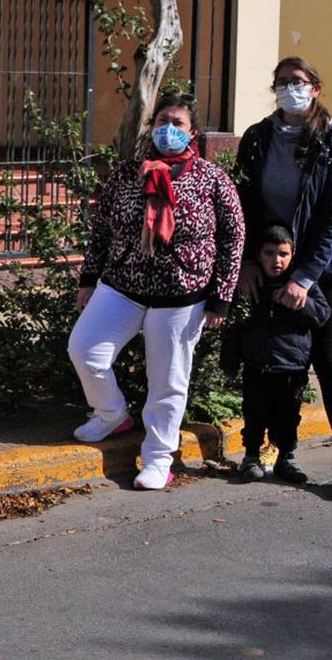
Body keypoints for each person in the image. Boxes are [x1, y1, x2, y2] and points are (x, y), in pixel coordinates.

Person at [68, 91, 245, 490]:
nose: (168, 130)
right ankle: (112, 413)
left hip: (181, 294)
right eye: (162, 121)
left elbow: (234, 238)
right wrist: (88, 279)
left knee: (167, 380)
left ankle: (158, 456)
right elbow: (102, 229)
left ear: (193, 132)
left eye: (177, 123)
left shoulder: (212, 179)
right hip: (123, 286)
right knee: (85, 348)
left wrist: (222, 296)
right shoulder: (127, 173)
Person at [235, 57, 332, 501]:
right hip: (268, 267)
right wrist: (250, 263)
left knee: (327, 362)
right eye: (283, 82)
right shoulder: (256, 139)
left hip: (319, 272)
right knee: (274, 363)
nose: (291, 88)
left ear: (316, 87)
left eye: (299, 81)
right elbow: (244, 206)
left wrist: (304, 277)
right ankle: (272, 446)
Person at [235, 225, 330, 484]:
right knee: (254, 413)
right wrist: (232, 358)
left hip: (291, 367)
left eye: (283, 254)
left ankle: (285, 457)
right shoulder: (253, 282)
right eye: (269, 253)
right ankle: (251, 457)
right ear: (259, 254)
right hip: (257, 365)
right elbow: (236, 322)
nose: (276, 261)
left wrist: (300, 303)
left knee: (288, 415)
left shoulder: (301, 285)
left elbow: (322, 314)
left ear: (293, 254)